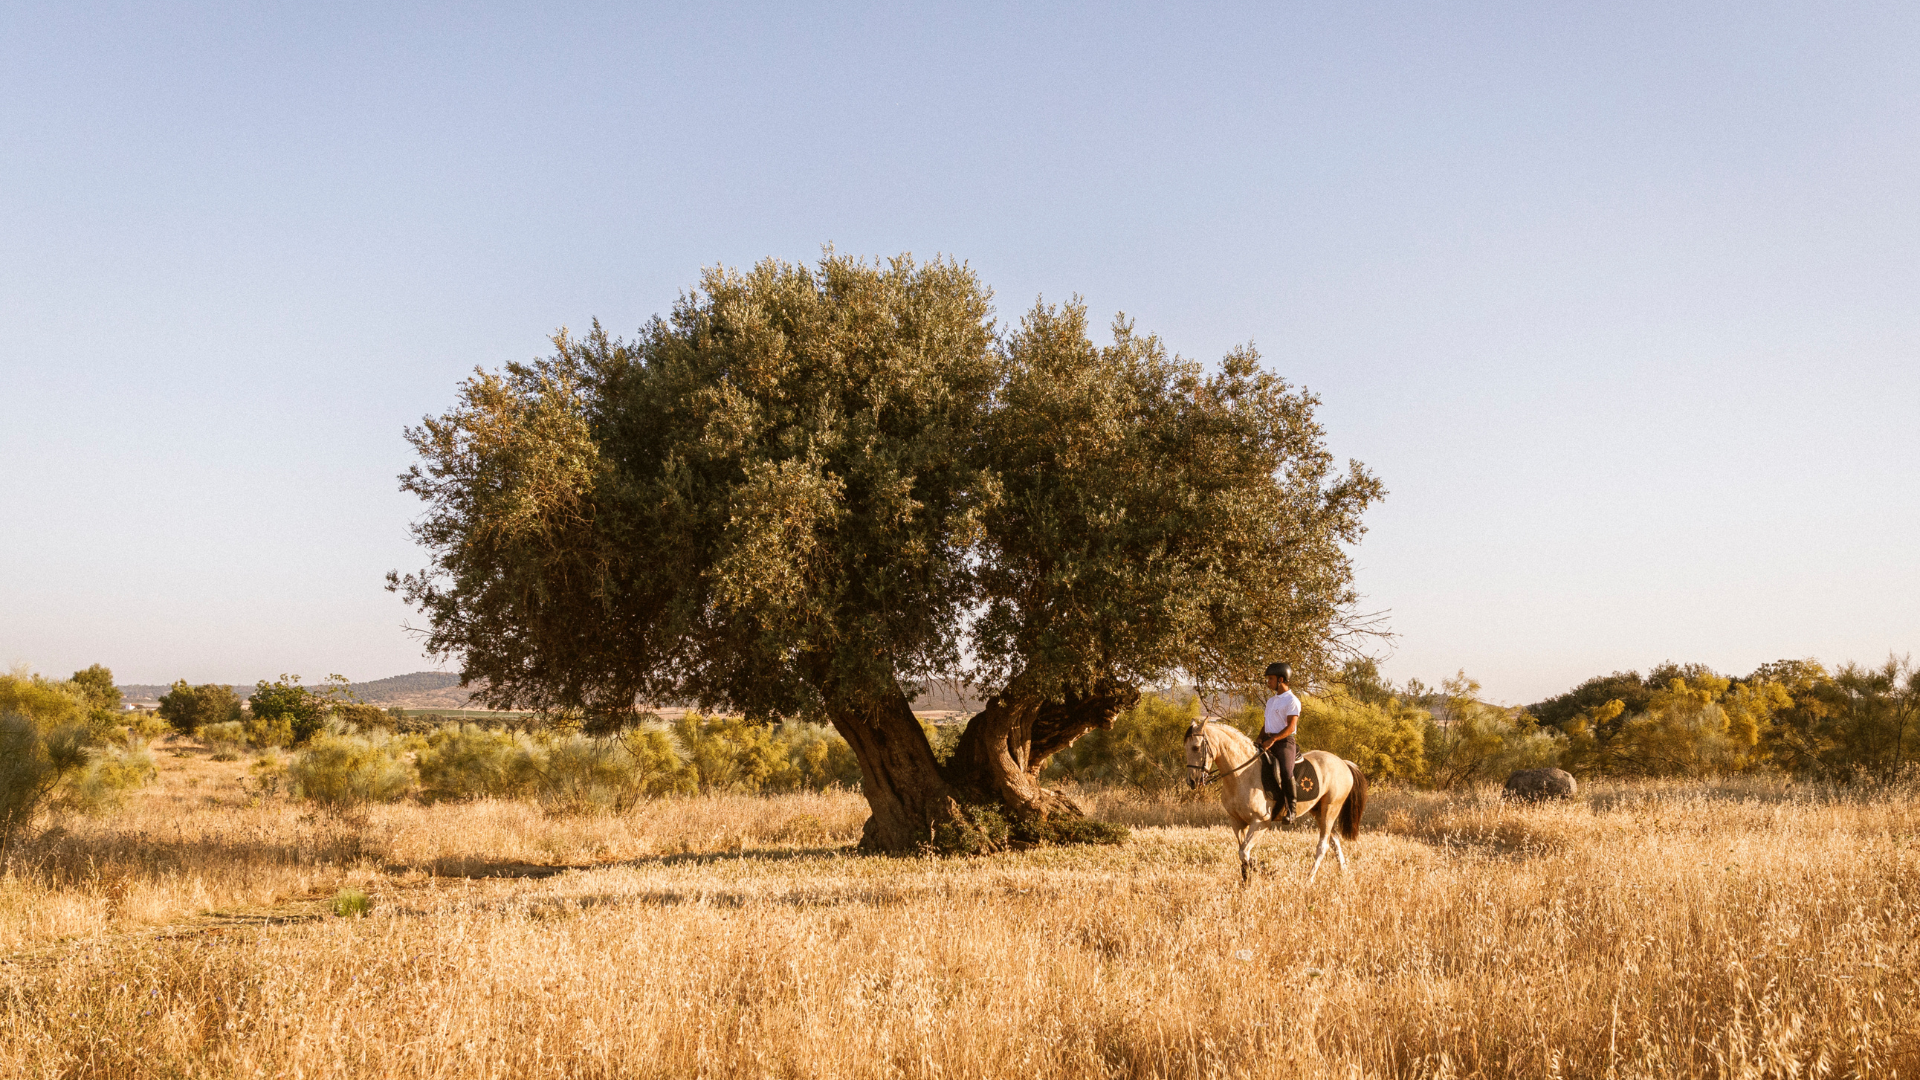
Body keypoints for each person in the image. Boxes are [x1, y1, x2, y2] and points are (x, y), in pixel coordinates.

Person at [1257, 661, 1300, 820]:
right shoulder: (1271, 701)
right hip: (1268, 740)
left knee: (1286, 771)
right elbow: (1266, 724)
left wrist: (1273, 739)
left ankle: (1291, 810)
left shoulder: (1292, 701)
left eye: (1271, 678)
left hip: (1284, 742)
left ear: (1281, 679)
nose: (1268, 682)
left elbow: (1290, 727)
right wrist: (1260, 738)